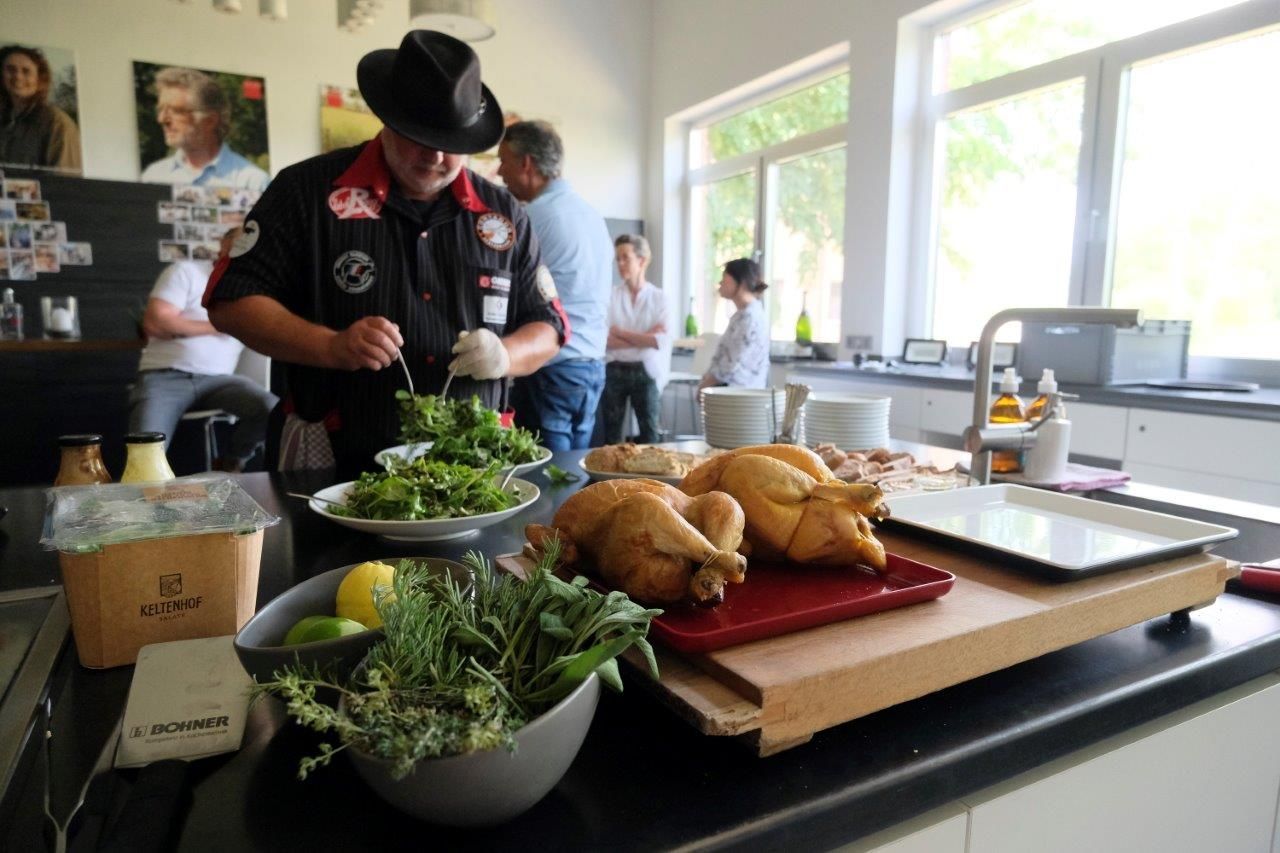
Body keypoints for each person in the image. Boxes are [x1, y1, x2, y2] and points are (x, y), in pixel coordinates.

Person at [204, 30, 567, 477]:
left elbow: (549, 326)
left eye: (451, 142)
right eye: (419, 136)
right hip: (337, 459)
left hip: (472, 469)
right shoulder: (305, 191)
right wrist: (331, 345)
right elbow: (232, 301)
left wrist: (505, 355)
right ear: (387, 119)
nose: (435, 156)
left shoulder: (504, 214)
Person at [497, 120, 611, 450]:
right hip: (591, 366)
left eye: (503, 161)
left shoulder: (533, 217)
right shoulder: (592, 215)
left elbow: (506, 289)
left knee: (545, 471)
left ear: (526, 163)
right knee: (575, 469)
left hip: (551, 368)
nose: (500, 172)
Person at [129, 228, 278, 472]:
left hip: (220, 381)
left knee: (272, 410)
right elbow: (155, 323)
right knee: (145, 448)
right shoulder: (186, 272)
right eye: (241, 244)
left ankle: (231, 462)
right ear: (223, 246)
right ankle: (143, 492)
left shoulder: (254, 292)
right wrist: (219, 325)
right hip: (164, 376)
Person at [140, 66, 269, 190]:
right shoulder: (153, 177)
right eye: (160, 110)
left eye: (176, 111)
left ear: (210, 120)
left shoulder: (252, 182)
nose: (162, 119)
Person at [601, 234, 670, 444]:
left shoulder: (659, 297)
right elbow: (604, 340)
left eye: (625, 257)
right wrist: (643, 338)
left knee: (650, 432)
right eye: (617, 259)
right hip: (614, 368)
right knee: (611, 435)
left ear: (642, 260)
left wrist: (620, 333)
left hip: (646, 370)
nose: (620, 264)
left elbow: (659, 341)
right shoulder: (610, 295)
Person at [0, 45, 82, 174]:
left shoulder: (57, 122)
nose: (18, 77)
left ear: (39, 79)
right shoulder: (5, 119)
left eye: (26, 71)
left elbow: (66, 181)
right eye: (10, 69)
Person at [699, 258, 770, 391]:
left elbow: (731, 364)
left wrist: (705, 385)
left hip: (739, 395)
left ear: (741, 282)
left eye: (724, 278)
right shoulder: (742, 315)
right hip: (732, 392)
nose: (720, 283)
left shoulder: (750, 318)